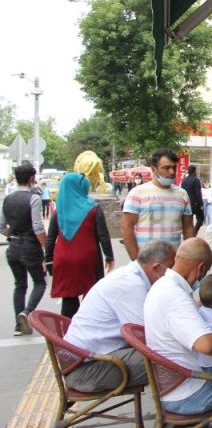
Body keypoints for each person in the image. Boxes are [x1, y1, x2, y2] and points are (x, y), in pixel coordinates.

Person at [143, 238, 212, 426]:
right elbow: (208, 346)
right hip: (186, 391)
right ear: (200, 268)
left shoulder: (161, 286)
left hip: (175, 382)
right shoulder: (174, 295)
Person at [63, 241, 176, 392]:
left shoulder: (132, 275)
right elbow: (148, 336)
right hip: (87, 371)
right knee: (175, 358)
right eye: (171, 268)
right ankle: (183, 402)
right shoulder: (131, 285)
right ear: (156, 268)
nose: (174, 273)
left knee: (174, 353)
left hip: (88, 360)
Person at [44, 173, 115, 318]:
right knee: (91, 296)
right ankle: (86, 326)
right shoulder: (93, 209)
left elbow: (50, 238)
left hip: (63, 259)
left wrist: (48, 259)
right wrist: (109, 256)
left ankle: (68, 328)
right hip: (88, 259)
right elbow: (103, 236)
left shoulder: (59, 211)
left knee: (69, 297)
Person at [0, 164, 47, 336]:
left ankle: (18, 326)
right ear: (31, 178)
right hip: (30, 247)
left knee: (19, 285)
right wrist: (46, 247)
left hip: (13, 247)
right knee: (40, 282)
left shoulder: (7, 199)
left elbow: (1, 226)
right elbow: (37, 226)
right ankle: (26, 313)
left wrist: (12, 233)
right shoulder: (33, 198)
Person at [122, 149, 194, 260]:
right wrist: (136, 261)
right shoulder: (137, 193)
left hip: (173, 262)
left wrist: (189, 257)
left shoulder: (182, 194)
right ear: (154, 169)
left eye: (174, 168)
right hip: (145, 262)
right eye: (166, 168)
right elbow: (127, 228)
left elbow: (188, 227)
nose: (172, 172)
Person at [180, 165, 204, 234]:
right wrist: (201, 204)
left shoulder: (184, 180)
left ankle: (188, 234)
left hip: (186, 203)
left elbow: (182, 192)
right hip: (195, 203)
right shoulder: (196, 180)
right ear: (194, 171)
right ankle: (194, 232)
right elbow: (198, 193)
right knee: (200, 219)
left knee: (188, 220)